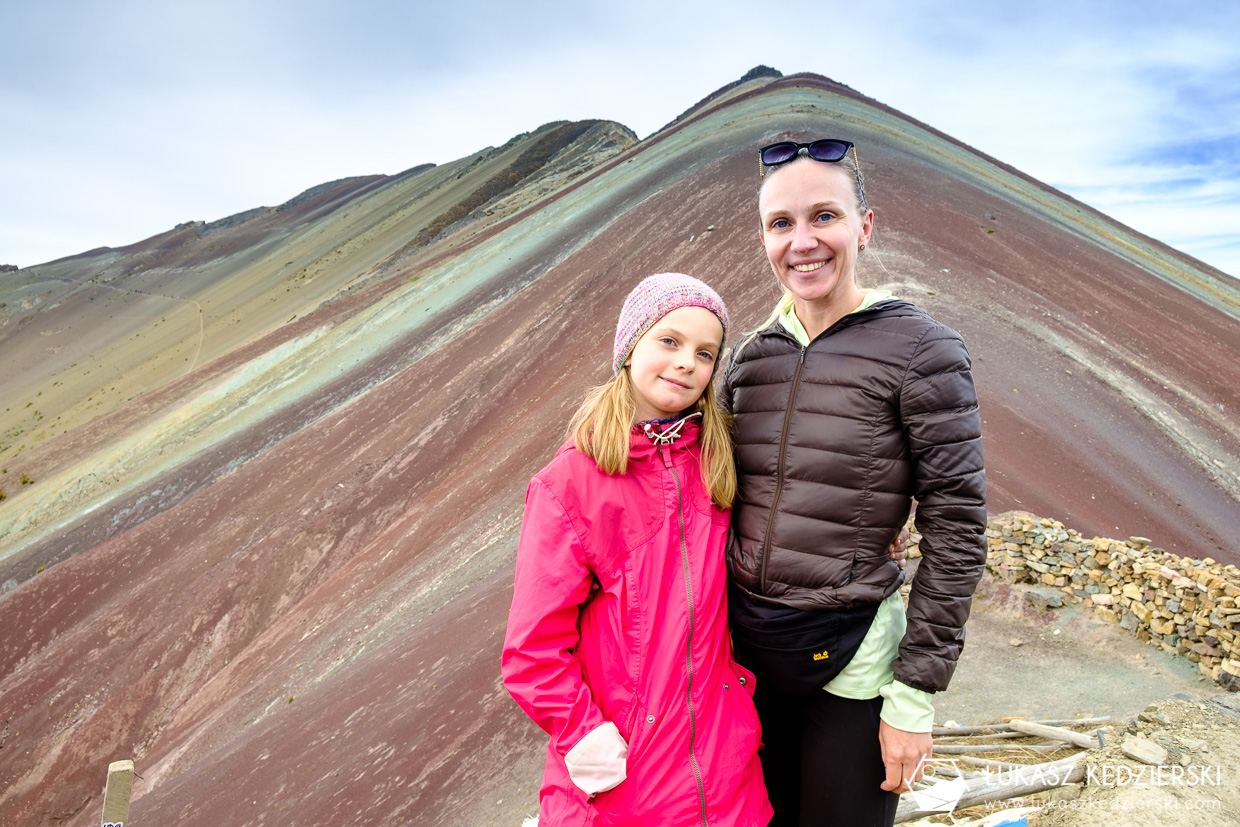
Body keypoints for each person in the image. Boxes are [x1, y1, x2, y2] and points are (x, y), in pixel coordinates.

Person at [720, 138, 987, 827]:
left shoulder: (924, 350)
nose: (802, 242)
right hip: (748, 658)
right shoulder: (752, 359)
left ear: (864, 227)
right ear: (764, 238)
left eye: (824, 217)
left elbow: (956, 529)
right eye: (782, 223)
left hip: (854, 661)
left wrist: (913, 698)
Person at [502, 273, 773, 826]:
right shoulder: (570, 484)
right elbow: (531, 651)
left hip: (727, 777)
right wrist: (586, 738)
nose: (686, 363)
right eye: (668, 341)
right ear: (630, 347)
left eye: (705, 352)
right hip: (627, 784)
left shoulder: (715, 466)